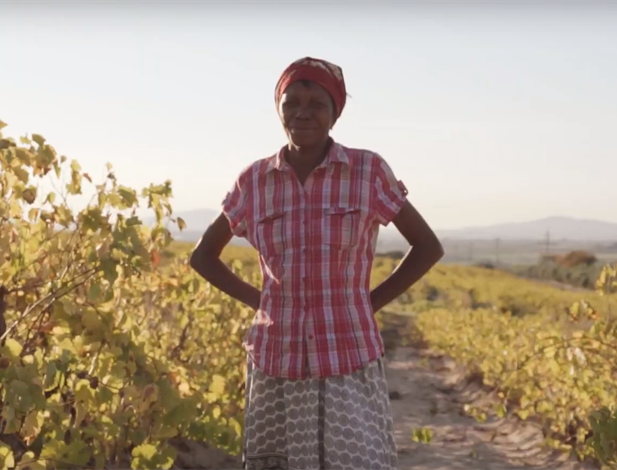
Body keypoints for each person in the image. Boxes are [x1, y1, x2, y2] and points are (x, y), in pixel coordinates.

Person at [189, 56, 444, 470]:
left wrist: (367, 304)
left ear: (334, 113)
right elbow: (203, 256)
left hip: (348, 356)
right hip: (277, 360)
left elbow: (427, 247)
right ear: (279, 110)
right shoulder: (254, 180)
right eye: (291, 103)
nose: (302, 112)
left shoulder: (367, 171)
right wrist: (264, 303)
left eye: (316, 103)